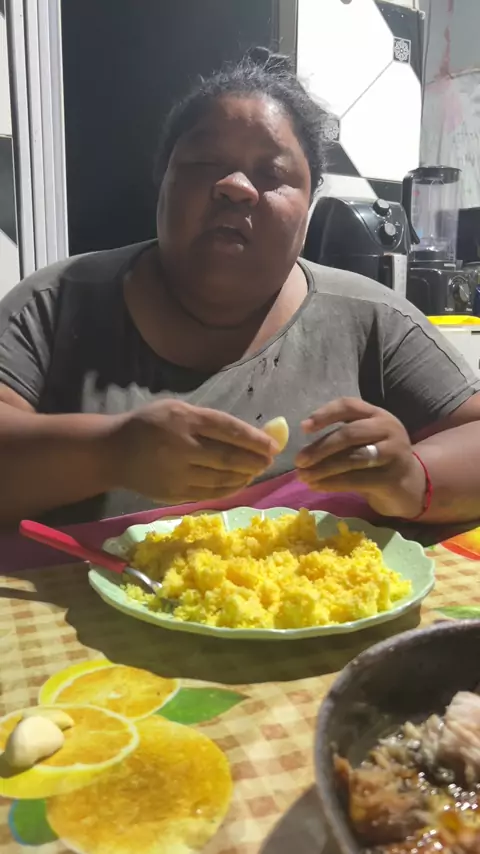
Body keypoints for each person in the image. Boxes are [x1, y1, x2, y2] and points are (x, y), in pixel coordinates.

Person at [0, 49, 480, 530]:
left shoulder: (369, 318)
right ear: (162, 182)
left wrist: (410, 478)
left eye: (271, 173)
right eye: (204, 162)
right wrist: (110, 453)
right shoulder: (54, 304)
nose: (234, 186)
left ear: (309, 207)